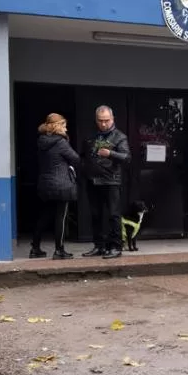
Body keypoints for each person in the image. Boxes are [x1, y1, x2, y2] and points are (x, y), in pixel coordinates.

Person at [81, 105, 131, 259]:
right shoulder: (92, 136)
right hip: (93, 181)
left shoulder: (119, 137)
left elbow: (127, 157)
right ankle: (99, 246)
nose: (103, 124)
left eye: (106, 120)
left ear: (112, 119)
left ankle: (116, 246)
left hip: (111, 181)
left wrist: (111, 153)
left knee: (114, 214)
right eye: (100, 121)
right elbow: (83, 156)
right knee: (96, 215)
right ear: (96, 120)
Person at [31, 113, 80, 260]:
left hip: (45, 184)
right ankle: (59, 250)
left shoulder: (41, 141)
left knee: (45, 215)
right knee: (61, 217)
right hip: (61, 185)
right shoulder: (60, 142)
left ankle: (35, 248)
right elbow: (75, 159)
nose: (66, 128)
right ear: (58, 126)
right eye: (64, 125)